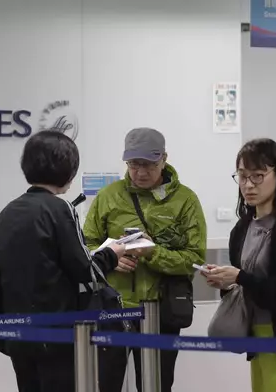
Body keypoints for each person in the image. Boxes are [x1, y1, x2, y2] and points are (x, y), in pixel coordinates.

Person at [0, 130, 125, 392]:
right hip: (56, 332)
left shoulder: (9, 211)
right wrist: (113, 253)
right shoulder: (60, 209)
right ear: (69, 171)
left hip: (18, 331)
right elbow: (85, 271)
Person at [83, 127, 207, 392]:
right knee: (104, 384)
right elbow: (86, 246)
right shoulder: (108, 197)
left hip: (160, 311)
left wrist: (153, 254)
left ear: (164, 158)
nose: (140, 172)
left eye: (148, 165)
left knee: (156, 385)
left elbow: (194, 259)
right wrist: (110, 259)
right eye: (133, 165)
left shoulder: (185, 201)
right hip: (113, 308)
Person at [203, 138, 276, 392]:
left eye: (258, 176)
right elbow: (245, 283)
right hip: (257, 335)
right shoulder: (242, 227)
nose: (248, 185)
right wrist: (226, 281)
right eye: (242, 176)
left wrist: (240, 277)